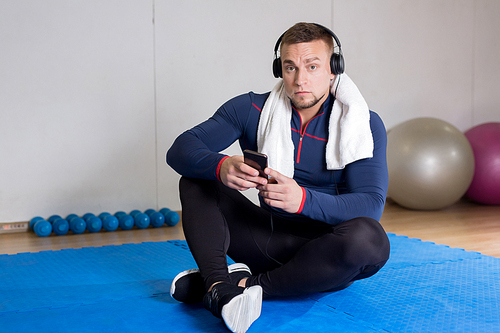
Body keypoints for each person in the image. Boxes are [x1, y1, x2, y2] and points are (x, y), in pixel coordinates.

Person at [167, 22, 390, 333]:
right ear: (279, 69)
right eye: (290, 67)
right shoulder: (251, 109)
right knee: (195, 178)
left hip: (326, 254)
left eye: (312, 66)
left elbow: (371, 205)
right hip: (265, 238)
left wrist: (303, 200)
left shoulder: (362, 123)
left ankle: (243, 284)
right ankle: (219, 287)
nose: (300, 80)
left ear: (333, 69)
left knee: (370, 240)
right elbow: (180, 150)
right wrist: (221, 166)